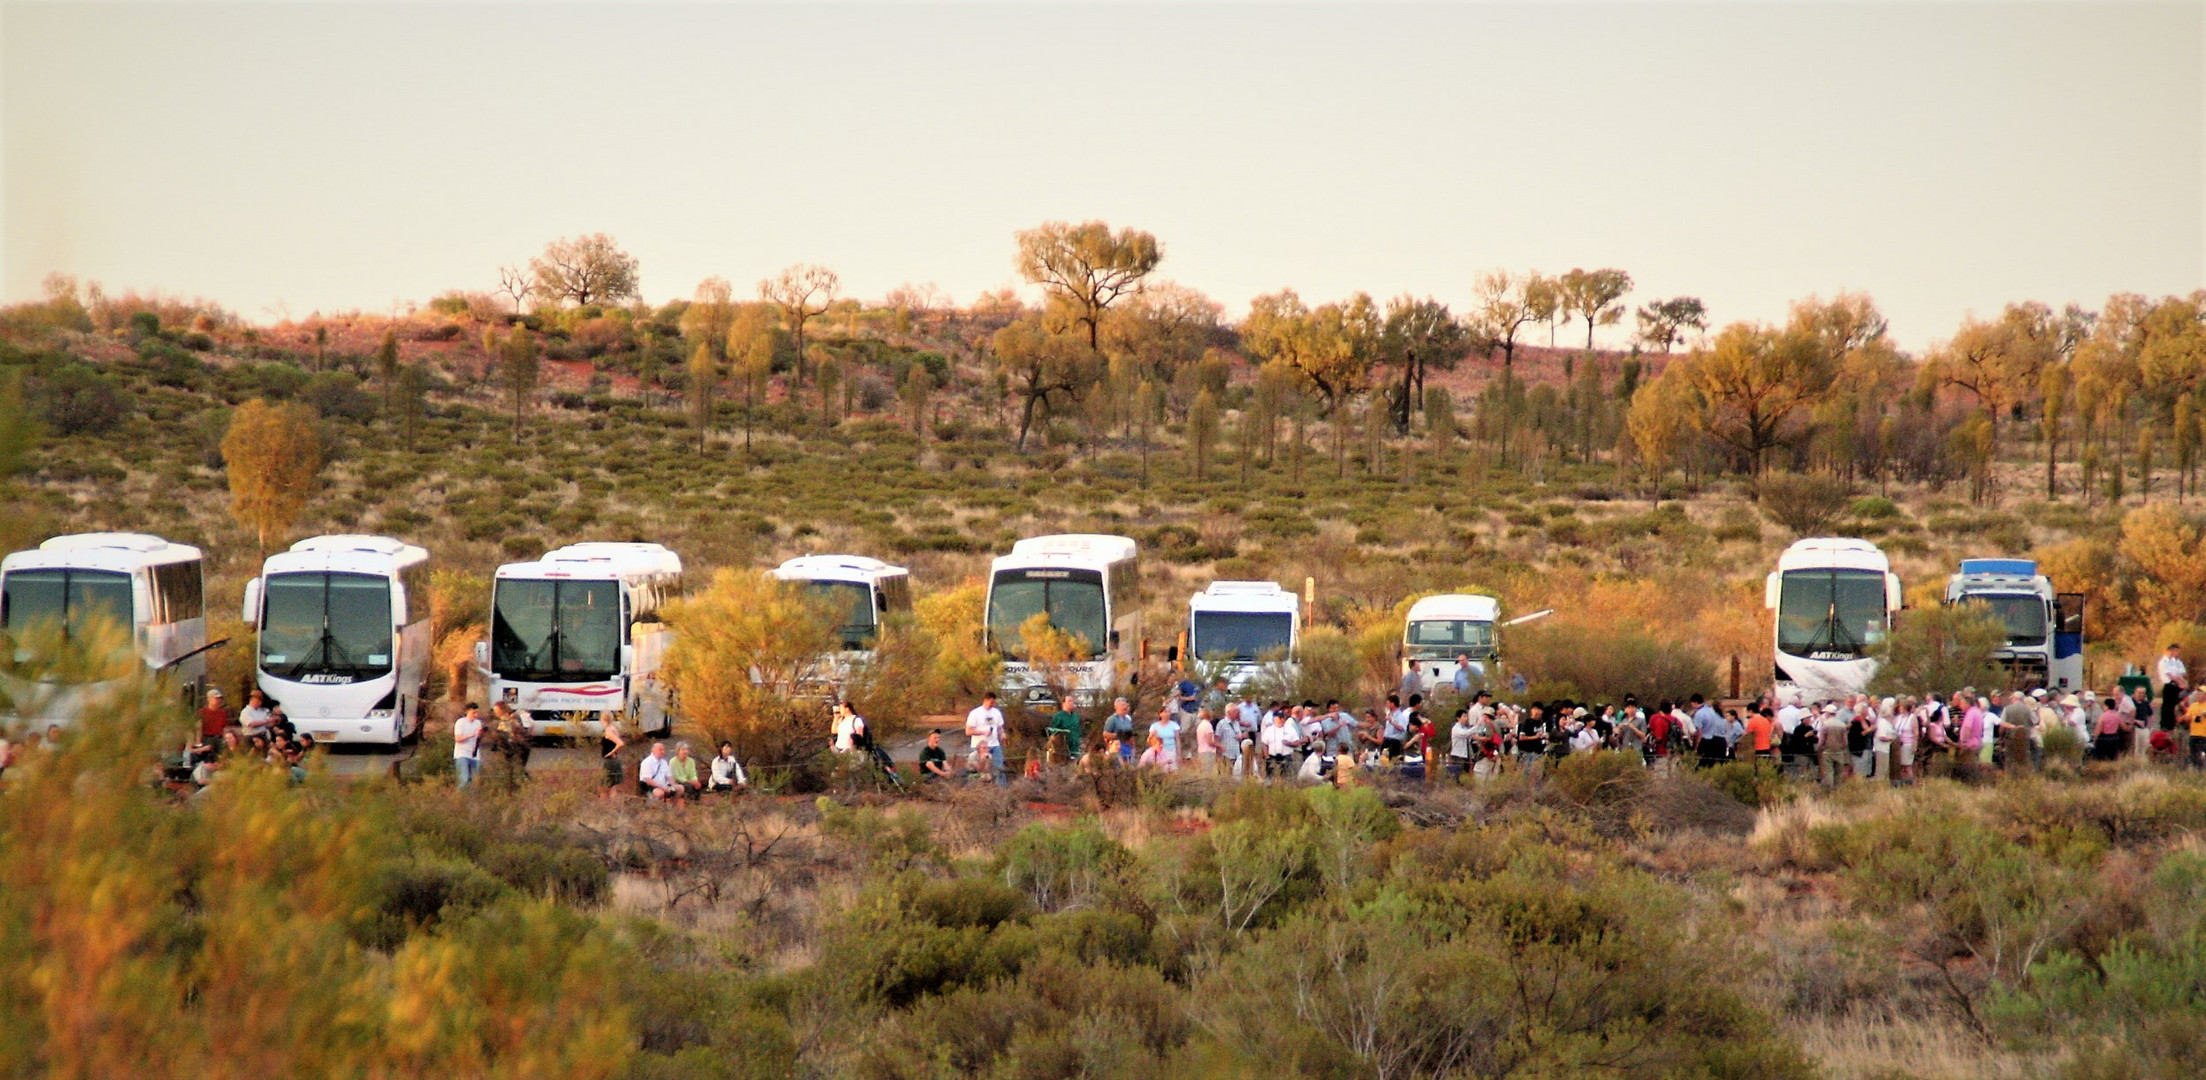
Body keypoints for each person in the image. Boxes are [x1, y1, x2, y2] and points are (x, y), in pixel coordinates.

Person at [966, 693, 1007, 784]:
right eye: (991, 702)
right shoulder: (975, 713)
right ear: (985, 700)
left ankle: (1002, 789)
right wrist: (983, 732)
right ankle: (978, 788)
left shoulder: (996, 712)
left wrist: (1002, 734)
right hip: (979, 746)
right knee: (980, 769)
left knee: (999, 768)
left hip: (994, 745)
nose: (992, 704)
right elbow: (968, 731)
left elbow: (1000, 727)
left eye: (994, 702)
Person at [492, 701, 533, 780]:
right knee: (518, 768)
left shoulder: (507, 720)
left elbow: (508, 736)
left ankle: (524, 782)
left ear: (502, 710)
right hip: (520, 746)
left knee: (516, 768)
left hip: (516, 747)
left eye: (496, 710)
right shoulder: (508, 719)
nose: (495, 712)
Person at [452, 703, 485, 789]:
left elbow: (479, 739)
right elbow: (458, 739)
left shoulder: (478, 723)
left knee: (475, 780)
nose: (476, 715)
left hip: (474, 755)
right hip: (462, 754)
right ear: (467, 712)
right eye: (473, 713)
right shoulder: (461, 722)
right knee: (464, 779)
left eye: (477, 712)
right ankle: (460, 798)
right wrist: (473, 734)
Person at [1691, 695, 1725, 769]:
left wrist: (1696, 747)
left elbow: (1699, 731)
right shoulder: (1711, 711)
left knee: (1700, 765)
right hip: (1715, 740)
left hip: (1705, 741)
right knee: (1712, 764)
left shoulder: (1699, 713)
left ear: (1695, 703)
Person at [2161, 643, 2189, 732]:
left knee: (2177, 705)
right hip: (2169, 685)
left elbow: (2181, 674)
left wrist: (2183, 683)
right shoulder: (2164, 662)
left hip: (2176, 685)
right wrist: (2180, 683)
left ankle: (2176, 723)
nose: (2178, 653)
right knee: (2168, 707)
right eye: (2176, 651)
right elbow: (2170, 675)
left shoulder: (2175, 662)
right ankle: (2166, 725)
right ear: (2170, 651)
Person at [1103, 698, 1136, 766]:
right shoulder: (1112, 719)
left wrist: (1133, 746)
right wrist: (1117, 735)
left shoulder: (1128, 719)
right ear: (1116, 707)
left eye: (1126, 705)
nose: (1125, 707)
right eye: (1123, 705)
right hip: (1117, 748)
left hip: (1127, 747)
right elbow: (1105, 734)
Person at [600, 720, 629, 797]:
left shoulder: (608, 731)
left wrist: (611, 753)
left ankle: (604, 807)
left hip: (609, 761)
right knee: (613, 787)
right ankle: (613, 807)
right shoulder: (614, 729)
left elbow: (620, 743)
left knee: (604, 787)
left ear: (603, 719)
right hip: (615, 760)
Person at [2185, 689, 2206, 769]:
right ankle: (2196, 769)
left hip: (2204, 734)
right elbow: (2187, 717)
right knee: (2194, 753)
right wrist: (2197, 717)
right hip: (2194, 734)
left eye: (2200, 694)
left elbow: (2199, 719)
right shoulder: (2193, 706)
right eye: (2197, 694)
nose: (2198, 696)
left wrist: (2195, 717)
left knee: (2203, 753)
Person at [1194, 709, 1219, 774]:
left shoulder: (1201, 725)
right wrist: (1220, 746)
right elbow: (1210, 741)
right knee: (1208, 772)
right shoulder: (1208, 725)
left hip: (1201, 751)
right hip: (1208, 752)